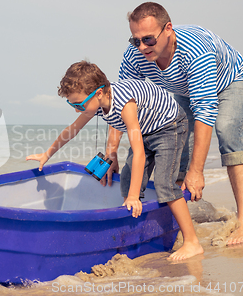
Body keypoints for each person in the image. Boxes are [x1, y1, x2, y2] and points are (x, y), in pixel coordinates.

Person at [26, 60, 203, 260]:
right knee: (127, 180)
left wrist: (135, 196)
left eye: (79, 104)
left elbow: (138, 152)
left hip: (170, 127)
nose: (77, 109)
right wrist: (47, 154)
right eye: (72, 104)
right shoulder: (96, 104)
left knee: (164, 183)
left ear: (98, 93)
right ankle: (140, 228)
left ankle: (192, 242)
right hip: (146, 129)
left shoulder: (125, 105)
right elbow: (72, 130)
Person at [111, 2, 243, 245]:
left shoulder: (194, 51)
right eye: (135, 40)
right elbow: (122, 101)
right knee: (176, 137)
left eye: (148, 39)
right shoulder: (135, 55)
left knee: (227, 132)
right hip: (186, 88)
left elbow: (205, 113)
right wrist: (111, 152)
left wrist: (196, 172)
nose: (142, 47)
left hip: (231, 80)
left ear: (168, 28)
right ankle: (176, 217)